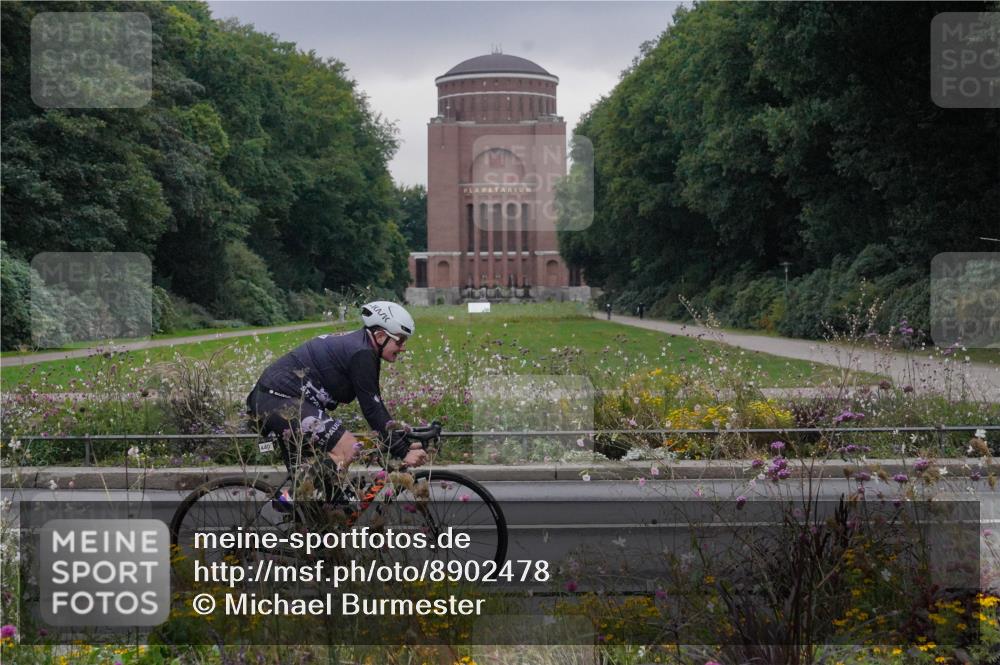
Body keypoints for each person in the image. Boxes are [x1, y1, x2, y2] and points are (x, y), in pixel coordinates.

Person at [246, 301, 428, 480]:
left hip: (275, 399)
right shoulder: (362, 353)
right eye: (400, 340)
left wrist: (402, 442)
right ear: (380, 336)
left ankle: (304, 498)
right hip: (279, 399)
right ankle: (300, 495)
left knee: (321, 477)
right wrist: (402, 451)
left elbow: (375, 403)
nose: (403, 347)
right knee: (348, 448)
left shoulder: (362, 346)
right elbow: (372, 409)